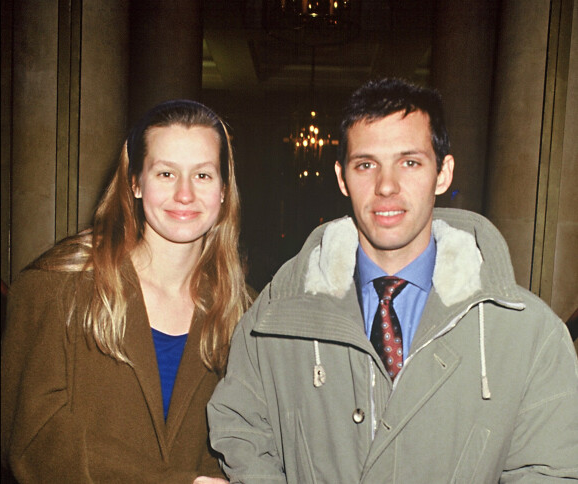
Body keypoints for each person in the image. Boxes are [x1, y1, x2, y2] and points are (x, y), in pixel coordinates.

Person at [207, 78, 578, 482]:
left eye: (410, 162)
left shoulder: (529, 334)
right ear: (342, 177)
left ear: (443, 173)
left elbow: (550, 471)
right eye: (366, 165)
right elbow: (240, 427)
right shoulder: (275, 318)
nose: (386, 186)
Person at [1, 100, 252, 483]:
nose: (184, 194)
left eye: (202, 176)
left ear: (223, 190)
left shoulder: (244, 311)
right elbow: (31, 437)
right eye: (166, 173)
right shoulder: (57, 288)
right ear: (135, 182)